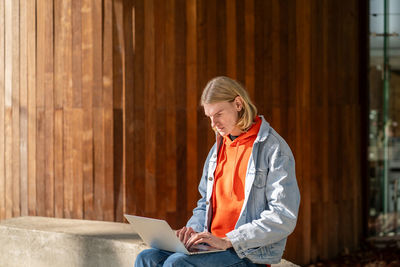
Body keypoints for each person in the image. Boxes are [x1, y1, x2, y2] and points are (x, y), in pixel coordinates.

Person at [135, 76, 300, 267]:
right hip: (211, 246)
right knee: (147, 258)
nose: (214, 124)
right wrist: (191, 231)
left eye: (219, 114)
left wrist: (229, 240)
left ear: (238, 104)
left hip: (244, 253)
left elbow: (283, 216)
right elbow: (204, 204)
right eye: (210, 117)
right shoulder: (218, 149)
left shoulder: (274, 149)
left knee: (177, 264)